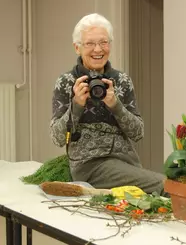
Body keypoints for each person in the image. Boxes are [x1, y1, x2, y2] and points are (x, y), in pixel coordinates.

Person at [50, 13, 166, 195]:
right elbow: (57, 137)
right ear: (77, 48)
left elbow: (138, 133)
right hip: (89, 165)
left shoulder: (122, 80)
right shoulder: (67, 82)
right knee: (165, 187)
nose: (98, 49)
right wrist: (76, 105)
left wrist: (115, 105)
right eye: (90, 43)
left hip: (126, 163)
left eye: (104, 42)